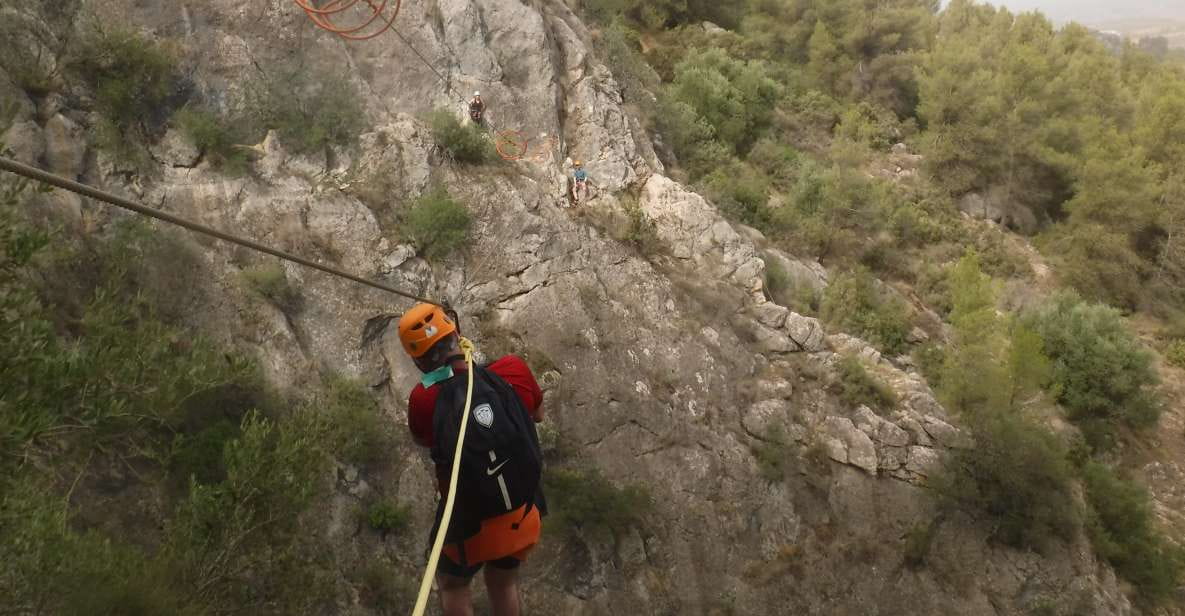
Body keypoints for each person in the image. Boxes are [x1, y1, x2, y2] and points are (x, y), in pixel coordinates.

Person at [399, 303, 545, 616]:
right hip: (522, 512)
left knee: (453, 585)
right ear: (458, 335)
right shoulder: (513, 370)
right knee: (503, 582)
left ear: (418, 360)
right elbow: (538, 415)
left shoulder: (424, 398)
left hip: (469, 525)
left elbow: (422, 440)